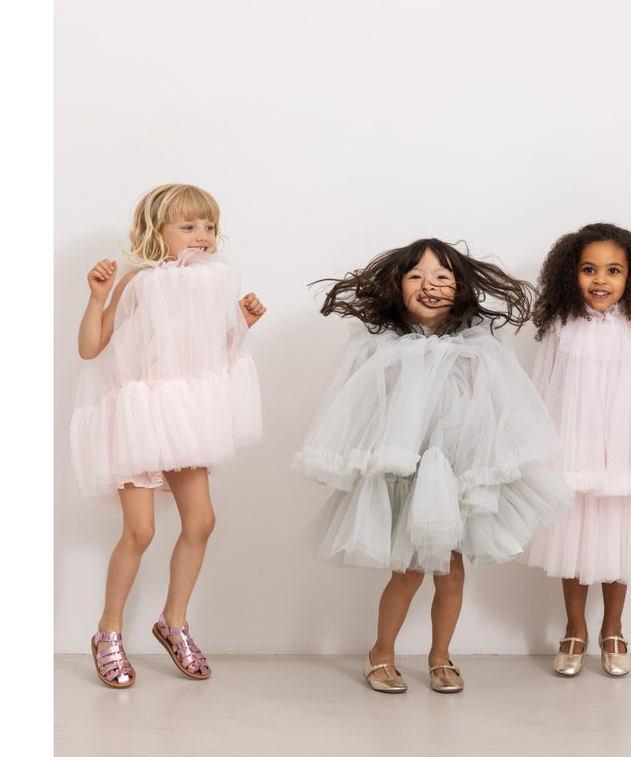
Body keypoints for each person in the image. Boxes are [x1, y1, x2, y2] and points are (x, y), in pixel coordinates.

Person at [294, 239, 571, 694]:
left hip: (455, 473)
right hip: (405, 471)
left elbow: (497, 406)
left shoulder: (478, 344)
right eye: (416, 276)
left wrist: (489, 463)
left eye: (443, 277)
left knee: (452, 574)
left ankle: (441, 656)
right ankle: (380, 653)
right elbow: (360, 402)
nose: (430, 285)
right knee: (407, 573)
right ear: (397, 286)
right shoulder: (381, 344)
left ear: (460, 288)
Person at [71, 184, 266, 688]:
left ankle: (172, 622)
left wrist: (241, 325)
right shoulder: (140, 282)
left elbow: (209, 355)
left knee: (201, 521)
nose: (202, 236)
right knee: (140, 531)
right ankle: (108, 631)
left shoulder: (215, 283)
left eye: (209, 226)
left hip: (184, 415)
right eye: (188, 226)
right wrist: (97, 299)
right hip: (139, 416)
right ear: (158, 231)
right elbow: (91, 348)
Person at [528, 223, 631, 676]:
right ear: (570, 274)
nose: (600, 280)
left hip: (627, 449)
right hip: (573, 448)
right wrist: (542, 449)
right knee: (572, 540)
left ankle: (613, 629)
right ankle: (575, 628)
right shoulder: (561, 328)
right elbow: (545, 390)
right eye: (589, 269)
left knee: (620, 538)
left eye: (613, 270)